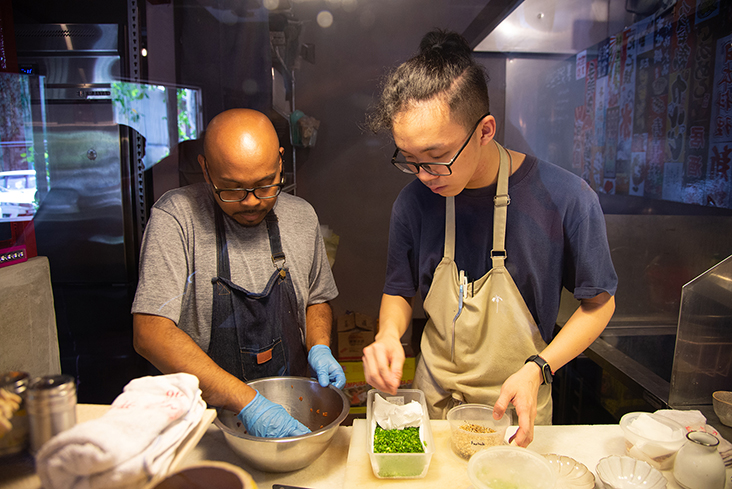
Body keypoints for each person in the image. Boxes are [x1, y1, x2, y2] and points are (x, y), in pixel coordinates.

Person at [362, 30, 617, 447]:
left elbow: (600, 303)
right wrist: (388, 335)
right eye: (409, 161)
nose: (424, 176)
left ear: (484, 130)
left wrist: (540, 367)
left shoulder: (566, 198)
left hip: (515, 409)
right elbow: (398, 289)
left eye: (437, 159)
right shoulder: (413, 202)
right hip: (434, 408)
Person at [132, 108, 345, 438]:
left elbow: (316, 298)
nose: (251, 202)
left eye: (265, 186)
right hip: (203, 427)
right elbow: (150, 331)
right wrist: (250, 403)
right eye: (231, 189)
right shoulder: (175, 219)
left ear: (280, 163)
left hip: (293, 414)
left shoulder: (302, 218)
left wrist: (320, 346)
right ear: (205, 169)